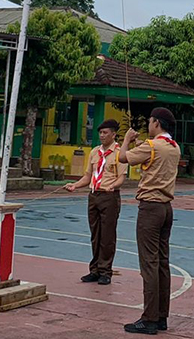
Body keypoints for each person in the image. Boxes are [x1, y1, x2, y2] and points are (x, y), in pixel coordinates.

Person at [117, 107, 180, 335]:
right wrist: (140, 143)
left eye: (151, 122)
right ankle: (162, 316)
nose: (149, 125)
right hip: (166, 208)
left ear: (156, 123)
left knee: (149, 264)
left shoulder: (152, 146)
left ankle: (150, 318)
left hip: (150, 209)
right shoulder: (174, 147)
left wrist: (127, 139)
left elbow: (123, 157)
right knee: (162, 263)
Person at [64, 119, 126, 285]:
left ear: (114, 134)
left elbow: (121, 178)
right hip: (94, 195)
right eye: (100, 132)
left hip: (109, 196)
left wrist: (113, 186)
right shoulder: (94, 152)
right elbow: (88, 176)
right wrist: (75, 185)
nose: (102, 135)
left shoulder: (120, 153)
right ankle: (95, 270)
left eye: (105, 133)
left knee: (107, 236)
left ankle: (106, 271)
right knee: (95, 234)